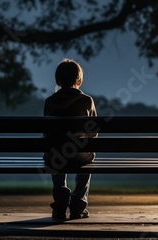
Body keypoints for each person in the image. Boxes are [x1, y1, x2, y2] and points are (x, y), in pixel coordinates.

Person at [42, 58, 97, 220]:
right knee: (89, 155)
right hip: (78, 155)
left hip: (56, 155)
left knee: (54, 151)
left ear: (58, 81)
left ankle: (60, 200)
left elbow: (47, 132)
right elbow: (93, 133)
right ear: (79, 81)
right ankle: (78, 203)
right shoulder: (87, 101)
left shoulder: (50, 101)